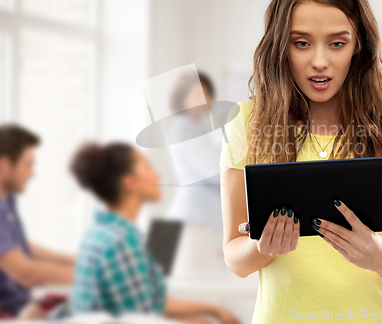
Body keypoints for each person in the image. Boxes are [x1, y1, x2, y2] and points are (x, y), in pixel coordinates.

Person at [220, 0, 382, 324]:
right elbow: (234, 257)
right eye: (301, 43)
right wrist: (262, 248)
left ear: (358, 46)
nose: (319, 62)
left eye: (337, 43)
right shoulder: (246, 124)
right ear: (281, 46)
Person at [69, 141, 240, 324]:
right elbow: (141, 318)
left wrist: (212, 309)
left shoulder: (102, 233)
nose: (157, 174)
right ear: (130, 183)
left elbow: (150, 302)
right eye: (147, 167)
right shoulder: (122, 242)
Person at [0, 124, 75, 318]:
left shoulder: (7, 201)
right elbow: (27, 274)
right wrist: (92, 276)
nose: (32, 174)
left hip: (21, 305)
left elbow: (18, 247)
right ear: (4, 165)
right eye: (28, 165)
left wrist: (75, 261)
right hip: (9, 312)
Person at [165, 71, 227, 274]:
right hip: (194, 221)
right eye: (197, 94)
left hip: (199, 219)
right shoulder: (185, 129)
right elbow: (215, 173)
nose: (205, 99)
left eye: (207, 93)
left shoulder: (195, 129)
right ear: (183, 98)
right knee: (198, 289)